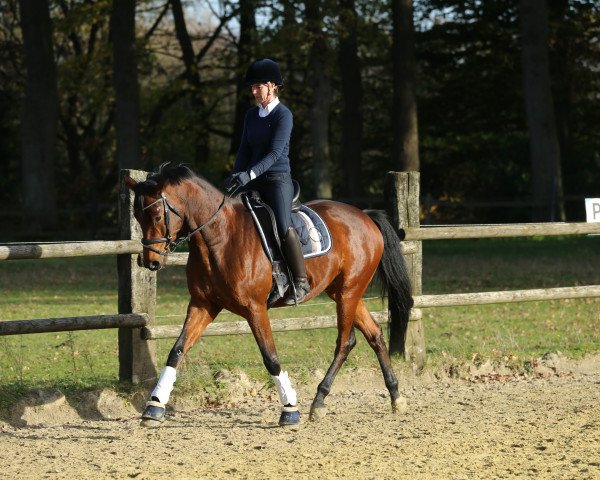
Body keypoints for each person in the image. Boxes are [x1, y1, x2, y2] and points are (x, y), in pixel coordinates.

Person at [225, 58, 310, 305]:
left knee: (282, 226)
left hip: (277, 179)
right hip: (252, 179)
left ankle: (300, 281)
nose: (253, 91)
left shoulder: (284, 115)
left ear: (272, 85)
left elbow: (274, 154)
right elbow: (243, 149)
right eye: (251, 87)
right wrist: (235, 174)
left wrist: (249, 174)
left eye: (257, 86)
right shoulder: (251, 115)